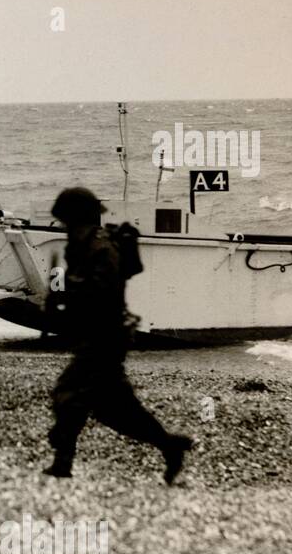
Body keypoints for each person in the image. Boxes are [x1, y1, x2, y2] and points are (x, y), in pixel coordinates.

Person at [42, 186, 192, 484]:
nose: (64, 227)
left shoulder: (101, 248)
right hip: (97, 335)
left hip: (105, 336)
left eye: (67, 220)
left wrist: (66, 295)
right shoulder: (81, 244)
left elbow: (104, 292)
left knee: (69, 395)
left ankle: (63, 462)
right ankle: (168, 445)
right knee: (111, 407)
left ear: (77, 218)